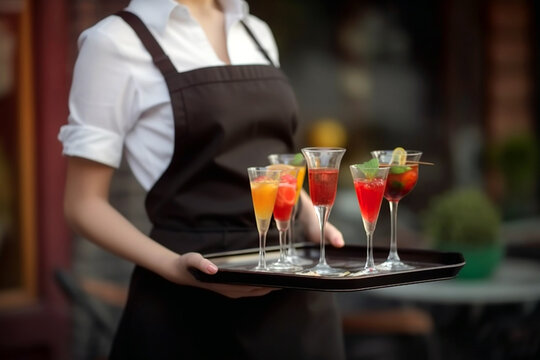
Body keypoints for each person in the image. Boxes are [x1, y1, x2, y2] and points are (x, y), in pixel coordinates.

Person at [59, 0, 346, 358]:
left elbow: (267, 161)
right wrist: (174, 268)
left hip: (294, 290)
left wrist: (307, 213)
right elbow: (82, 204)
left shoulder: (255, 31)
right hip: (188, 299)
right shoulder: (113, 42)